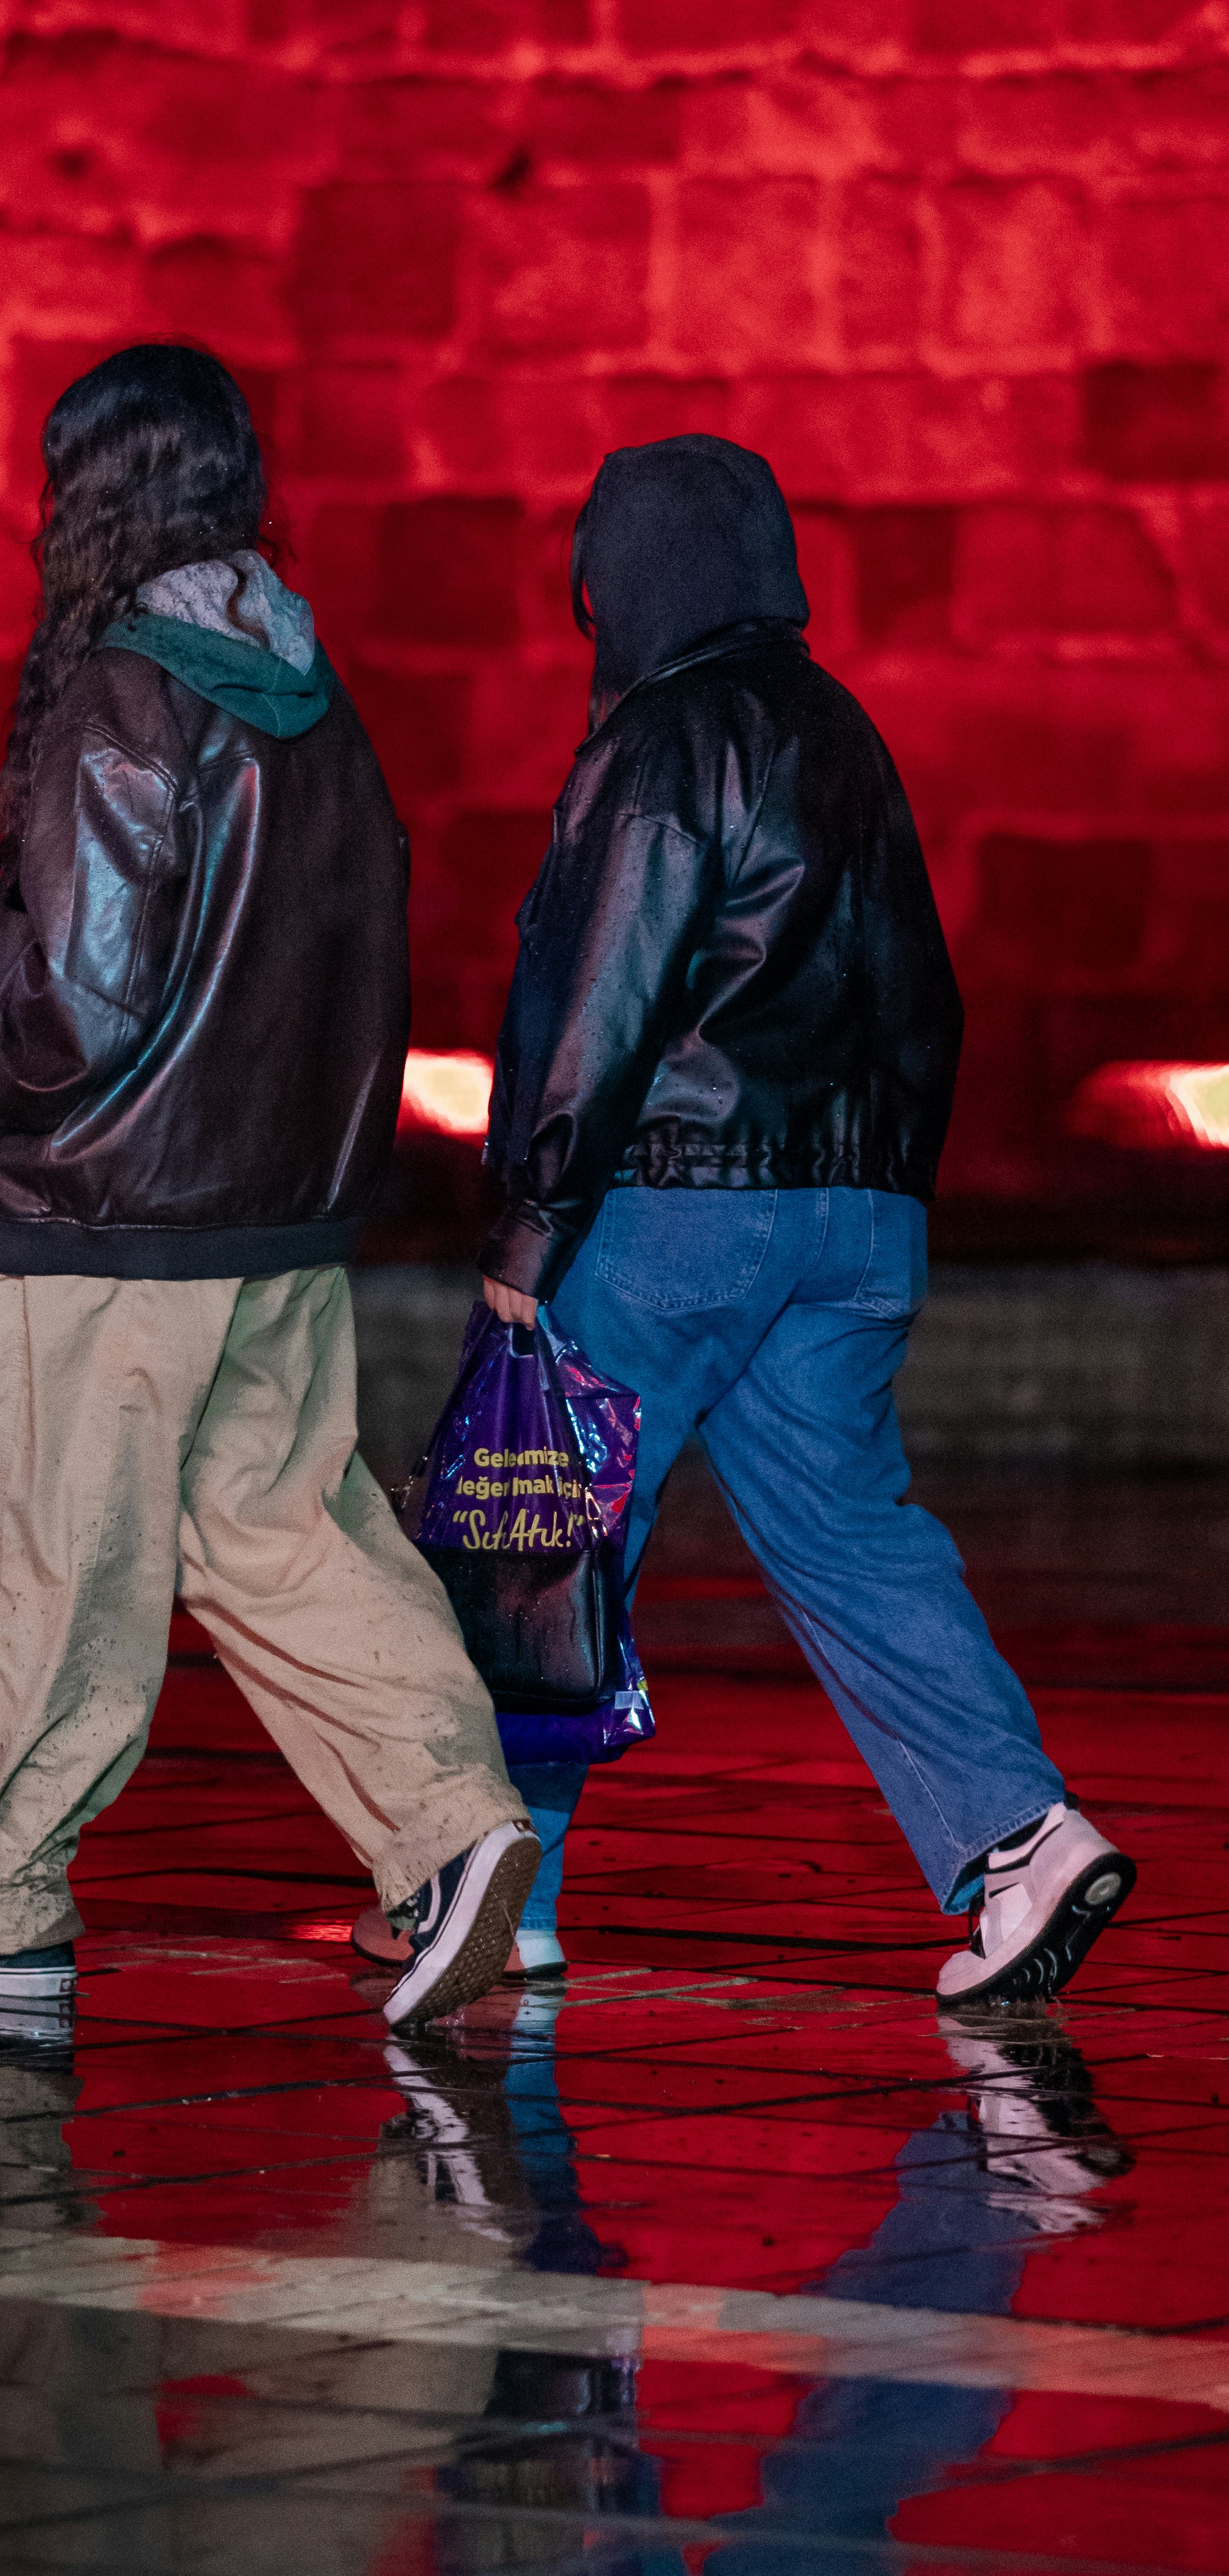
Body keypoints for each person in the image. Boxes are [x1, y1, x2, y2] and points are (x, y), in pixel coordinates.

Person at [0, 345, 537, 2034]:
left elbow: (78, 999)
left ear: (91, 492)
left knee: (37, 1557)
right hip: (274, 1228)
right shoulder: (315, 699)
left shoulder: (126, 692)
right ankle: (451, 1831)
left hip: (109, 1217)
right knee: (283, 1532)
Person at [473, 434, 1134, 2008]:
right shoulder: (844, 735)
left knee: (549, 1524)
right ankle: (1021, 1834)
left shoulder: (660, 740)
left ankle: (495, 1879)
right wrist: (879, 1187)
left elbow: (605, 997)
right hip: (854, 1219)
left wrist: (524, 1231)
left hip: (680, 1203)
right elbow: (933, 991)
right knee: (848, 1533)